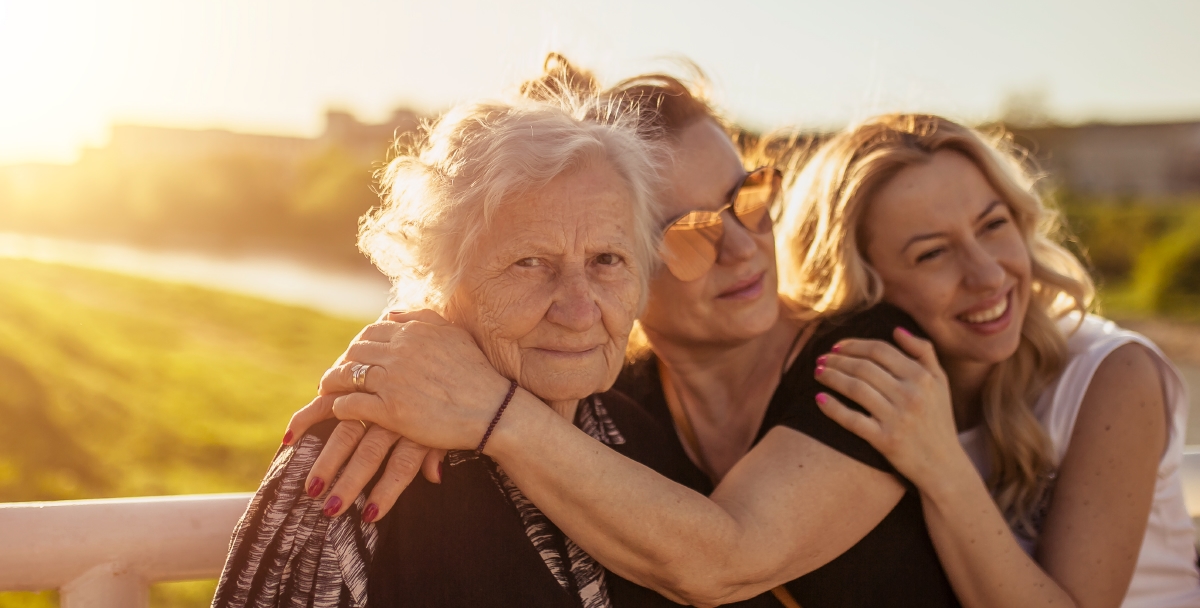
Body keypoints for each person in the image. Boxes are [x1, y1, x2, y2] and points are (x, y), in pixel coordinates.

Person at [303, 57, 960, 607]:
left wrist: (489, 413)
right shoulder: (621, 406)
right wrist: (413, 359)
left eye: (749, 198)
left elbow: (724, 562)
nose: (743, 247)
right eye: (690, 231)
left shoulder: (866, 354)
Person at [211, 88, 695, 607]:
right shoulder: (354, 459)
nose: (579, 310)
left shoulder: (639, 435)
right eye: (529, 262)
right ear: (439, 283)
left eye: (607, 259)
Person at [778, 113, 1200, 607]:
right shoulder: (855, 396)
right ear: (860, 289)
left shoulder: (1113, 376)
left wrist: (940, 466)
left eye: (993, 225)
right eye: (933, 253)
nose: (986, 273)